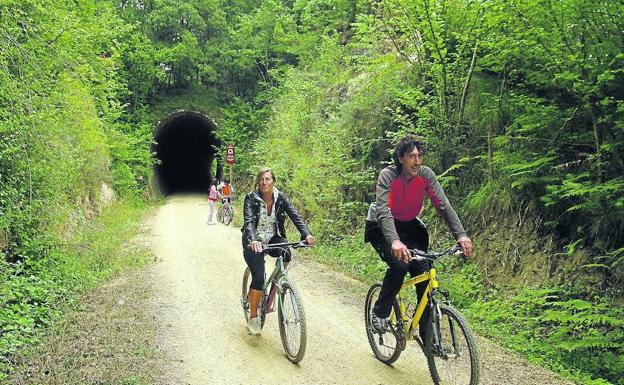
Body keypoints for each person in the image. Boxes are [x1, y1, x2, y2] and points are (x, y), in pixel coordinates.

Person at [365, 135, 473, 340]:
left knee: (425, 274)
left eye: (420, 156)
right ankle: (380, 312)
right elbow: (383, 211)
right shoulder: (388, 175)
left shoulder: (426, 175)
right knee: (399, 265)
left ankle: (428, 336)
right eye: (411, 156)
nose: (417, 161)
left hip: (410, 227)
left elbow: (443, 205)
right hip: (381, 226)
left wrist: (461, 235)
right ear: (400, 158)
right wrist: (395, 241)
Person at [242, 167, 316, 335]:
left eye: (267, 179)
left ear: (273, 181)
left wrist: (307, 234)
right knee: (259, 277)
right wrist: (253, 240)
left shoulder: (280, 197)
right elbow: (249, 222)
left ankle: (273, 291)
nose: (264, 182)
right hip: (253, 241)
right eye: (261, 179)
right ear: (257, 182)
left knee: (287, 253)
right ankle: (253, 317)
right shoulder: (250, 199)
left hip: (273, 237)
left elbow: (295, 215)